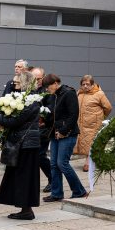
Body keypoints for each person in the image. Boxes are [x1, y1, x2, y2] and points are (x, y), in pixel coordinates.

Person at [0, 71, 41, 220]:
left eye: (17, 82)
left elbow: (16, 121)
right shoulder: (26, 98)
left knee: (25, 177)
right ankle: (24, 208)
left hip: (27, 144)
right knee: (20, 176)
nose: (14, 85)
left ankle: (27, 210)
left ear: (25, 82)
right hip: (24, 142)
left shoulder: (31, 100)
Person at [41, 74, 87, 202]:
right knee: (54, 164)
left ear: (56, 83)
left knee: (62, 163)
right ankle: (56, 193)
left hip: (68, 134)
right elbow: (51, 114)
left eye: (48, 87)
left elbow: (73, 115)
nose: (47, 90)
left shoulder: (69, 93)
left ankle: (79, 191)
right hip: (54, 134)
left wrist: (63, 131)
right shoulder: (52, 96)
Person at [74, 75, 112, 172]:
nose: (85, 86)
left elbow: (108, 107)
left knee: (91, 142)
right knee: (85, 142)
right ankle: (92, 160)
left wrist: (101, 117)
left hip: (93, 123)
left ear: (92, 84)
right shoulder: (79, 93)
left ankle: (88, 162)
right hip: (82, 123)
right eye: (83, 84)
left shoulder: (99, 94)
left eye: (88, 84)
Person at [31, 67, 53, 192]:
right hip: (32, 128)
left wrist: (43, 119)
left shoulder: (47, 91)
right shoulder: (32, 90)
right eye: (34, 79)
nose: (37, 81)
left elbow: (50, 109)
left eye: (39, 79)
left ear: (43, 78)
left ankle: (52, 178)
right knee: (35, 155)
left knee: (40, 155)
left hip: (44, 128)